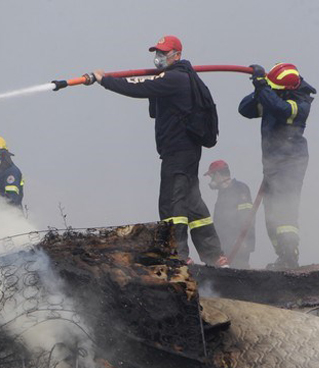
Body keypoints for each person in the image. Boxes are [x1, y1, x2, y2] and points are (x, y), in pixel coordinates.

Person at [85, 35, 227, 267]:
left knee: (172, 202)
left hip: (177, 151)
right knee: (192, 201)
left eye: (164, 53)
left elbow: (138, 88)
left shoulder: (175, 78)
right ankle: (215, 256)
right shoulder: (181, 77)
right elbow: (153, 101)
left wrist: (104, 80)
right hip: (187, 151)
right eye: (157, 52)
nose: (159, 57)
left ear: (177, 55)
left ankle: (177, 256)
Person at [238, 63, 316, 269]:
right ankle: (282, 256)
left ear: (286, 89)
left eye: (274, 88)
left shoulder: (300, 105)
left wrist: (263, 87)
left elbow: (280, 110)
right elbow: (244, 109)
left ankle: (290, 255)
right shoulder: (273, 97)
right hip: (272, 164)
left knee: (284, 209)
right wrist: (259, 89)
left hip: (290, 163)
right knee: (271, 211)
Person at [204, 160, 255, 269]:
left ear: (218, 174)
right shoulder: (223, 192)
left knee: (239, 273)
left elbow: (247, 217)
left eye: (212, 177)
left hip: (239, 246)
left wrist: (243, 240)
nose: (211, 180)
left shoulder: (240, 188)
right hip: (225, 246)